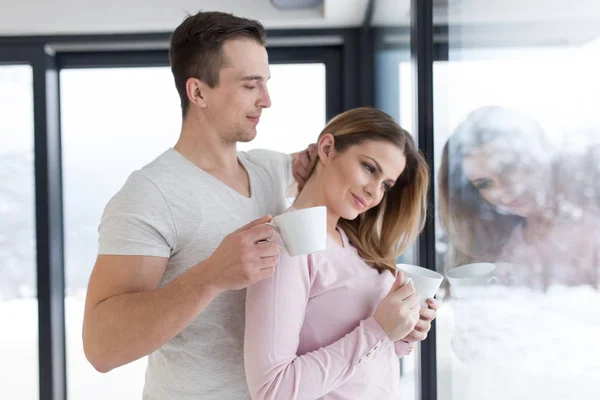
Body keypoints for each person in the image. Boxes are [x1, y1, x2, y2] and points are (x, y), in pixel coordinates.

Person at [82, 11, 315, 400]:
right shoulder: (150, 194)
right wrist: (210, 276)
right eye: (249, 85)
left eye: (266, 83)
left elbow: (335, 177)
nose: (267, 100)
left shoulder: (271, 169)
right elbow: (100, 348)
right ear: (198, 92)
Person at [244, 107, 440, 400]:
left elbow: (361, 366)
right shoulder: (288, 243)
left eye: (386, 184)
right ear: (327, 148)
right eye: (369, 168)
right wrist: (378, 330)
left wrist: (402, 331)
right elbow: (273, 389)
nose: (375, 191)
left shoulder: (355, 244)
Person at [438, 105, 599, 289]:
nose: (503, 191)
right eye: (485, 183)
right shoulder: (498, 244)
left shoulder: (590, 231)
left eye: (507, 168)